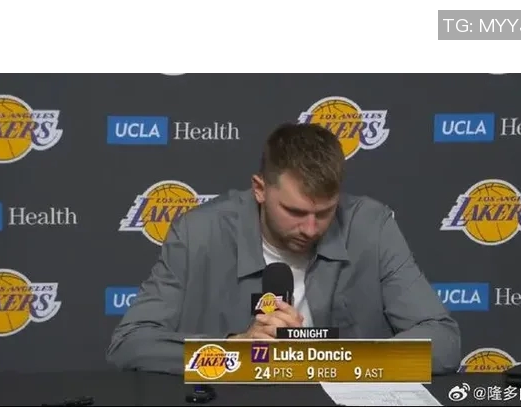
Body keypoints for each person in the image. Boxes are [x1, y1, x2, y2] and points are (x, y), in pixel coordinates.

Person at [106, 123, 461, 376]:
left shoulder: (372, 226)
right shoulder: (198, 233)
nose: (310, 229)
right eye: (294, 212)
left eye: (325, 212)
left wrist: (334, 359)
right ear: (260, 189)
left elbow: (444, 343)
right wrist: (234, 350)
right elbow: (130, 344)